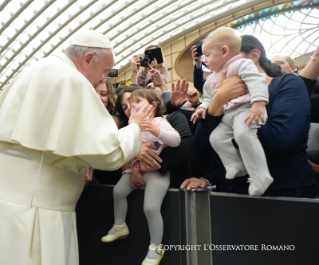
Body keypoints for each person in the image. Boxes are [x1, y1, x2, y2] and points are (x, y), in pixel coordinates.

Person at [0, 30, 154, 265]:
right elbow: (109, 153)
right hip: (39, 212)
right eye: (103, 72)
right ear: (88, 58)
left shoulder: (35, 70)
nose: (103, 81)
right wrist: (134, 126)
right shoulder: (72, 80)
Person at [182, 34, 319, 199]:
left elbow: (281, 140)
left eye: (232, 57)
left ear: (253, 56)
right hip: (233, 195)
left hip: (285, 194)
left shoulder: (287, 85)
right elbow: (202, 144)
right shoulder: (221, 96)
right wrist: (218, 101)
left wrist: (235, 134)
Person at [190, 27, 273, 195]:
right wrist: (201, 108)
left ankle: (261, 176)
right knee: (216, 137)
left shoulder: (241, 64)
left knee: (243, 134)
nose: (205, 60)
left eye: (207, 55)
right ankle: (235, 164)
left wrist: (258, 104)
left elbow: (257, 81)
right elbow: (208, 98)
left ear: (224, 51)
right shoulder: (211, 78)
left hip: (246, 109)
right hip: (228, 115)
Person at [102, 89, 180, 265]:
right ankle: (119, 225)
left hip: (155, 173)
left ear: (153, 105)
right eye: (129, 105)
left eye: (137, 101)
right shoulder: (131, 127)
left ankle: (155, 248)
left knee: (151, 207)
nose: (132, 106)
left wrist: (156, 130)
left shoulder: (159, 121)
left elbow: (176, 140)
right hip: (134, 170)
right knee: (118, 192)